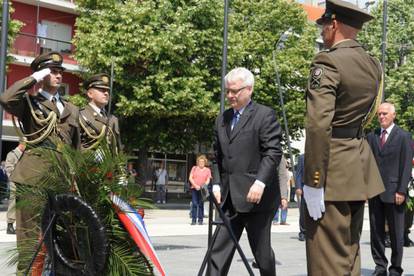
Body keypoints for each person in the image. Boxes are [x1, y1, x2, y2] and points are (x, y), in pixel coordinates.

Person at [303, 1, 385, 275]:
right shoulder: (372, 64)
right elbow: (366, 115)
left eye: (324, 25)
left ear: (334, 24)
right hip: (357, 168)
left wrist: (314, 181)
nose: (322, 32)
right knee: (349, 255)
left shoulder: (327, 61)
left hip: (332, 173)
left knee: (326, 260)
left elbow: (318, 126)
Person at [0, 51, 80, 271]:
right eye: (52, 71)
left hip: (62, 181)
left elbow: (76, 149)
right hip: (33, 178)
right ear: (42, 73)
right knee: (30, 243)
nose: (58, 75)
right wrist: (35, 78)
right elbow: (6, 98)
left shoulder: (71, 108)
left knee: (61, 241)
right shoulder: (28, 102)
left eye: (60, 71)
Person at [211, 67, 282, 276]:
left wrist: (260, 183)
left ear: (249, 89)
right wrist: (216, 183)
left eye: (235, 91)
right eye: (228, 91)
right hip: (229, 199)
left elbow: (272, 153)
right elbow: (217, 156)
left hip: (257, 200)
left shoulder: (264, 115)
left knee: (261, 255)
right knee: (217, 252)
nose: (231, 96)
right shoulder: (221, 119)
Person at [366, 102, 413, 276]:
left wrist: (401, 190)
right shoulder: (371, 136)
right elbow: (367, 164)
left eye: (385, 113)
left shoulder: (404, 136)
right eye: (379, 114)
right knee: (376, 232)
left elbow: (406, 165)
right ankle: (380, 266)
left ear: (393, 115)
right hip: (374, 192)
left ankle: (395, 268)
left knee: (396, 233)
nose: (381, 117)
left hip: (395, 193)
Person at [79, 73, 122, 153]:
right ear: (90, 94)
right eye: (102, 90)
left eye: (107, 91)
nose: (106, 93)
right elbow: (73, 146)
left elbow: (118, 150)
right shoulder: (80, 115)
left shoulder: (113, 119)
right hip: (87, 164)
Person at [4, 143, 26, 235]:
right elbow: (8, 168)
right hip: (15, 182)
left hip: (25, 182)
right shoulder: (11, 154)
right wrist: (18, 177)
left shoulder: (26, 155)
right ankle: (10, 225)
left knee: (24, 203)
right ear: (21, 144)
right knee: (13, 202)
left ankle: (22, 225)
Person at [189, 154, 212, 225]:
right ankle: (193, 220)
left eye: (203, 162)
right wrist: (195, 185)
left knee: (201, 204)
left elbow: (208, 179)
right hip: (194, 188)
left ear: (205, 162)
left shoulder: (208, 170)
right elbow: (190, 178)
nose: (201, 163)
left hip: (203, 189)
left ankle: (200, 220)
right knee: (194, 204)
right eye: (200, 162)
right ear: (198, 162)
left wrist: (204, 185)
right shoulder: (194, 168)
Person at [273, 155, 289, 225]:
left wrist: (284, 197)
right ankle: (276, 220)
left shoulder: (280, 157)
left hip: (280, 187)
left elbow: (282, 177)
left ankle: (283, 220)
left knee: (282, 204)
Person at [295, 153, 306, 241]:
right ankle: (303, 232)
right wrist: (298, 187)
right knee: (303, 212)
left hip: (317, 188)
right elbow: (298, 174)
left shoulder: (320, 156)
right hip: (305, 188)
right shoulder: (302, 157)